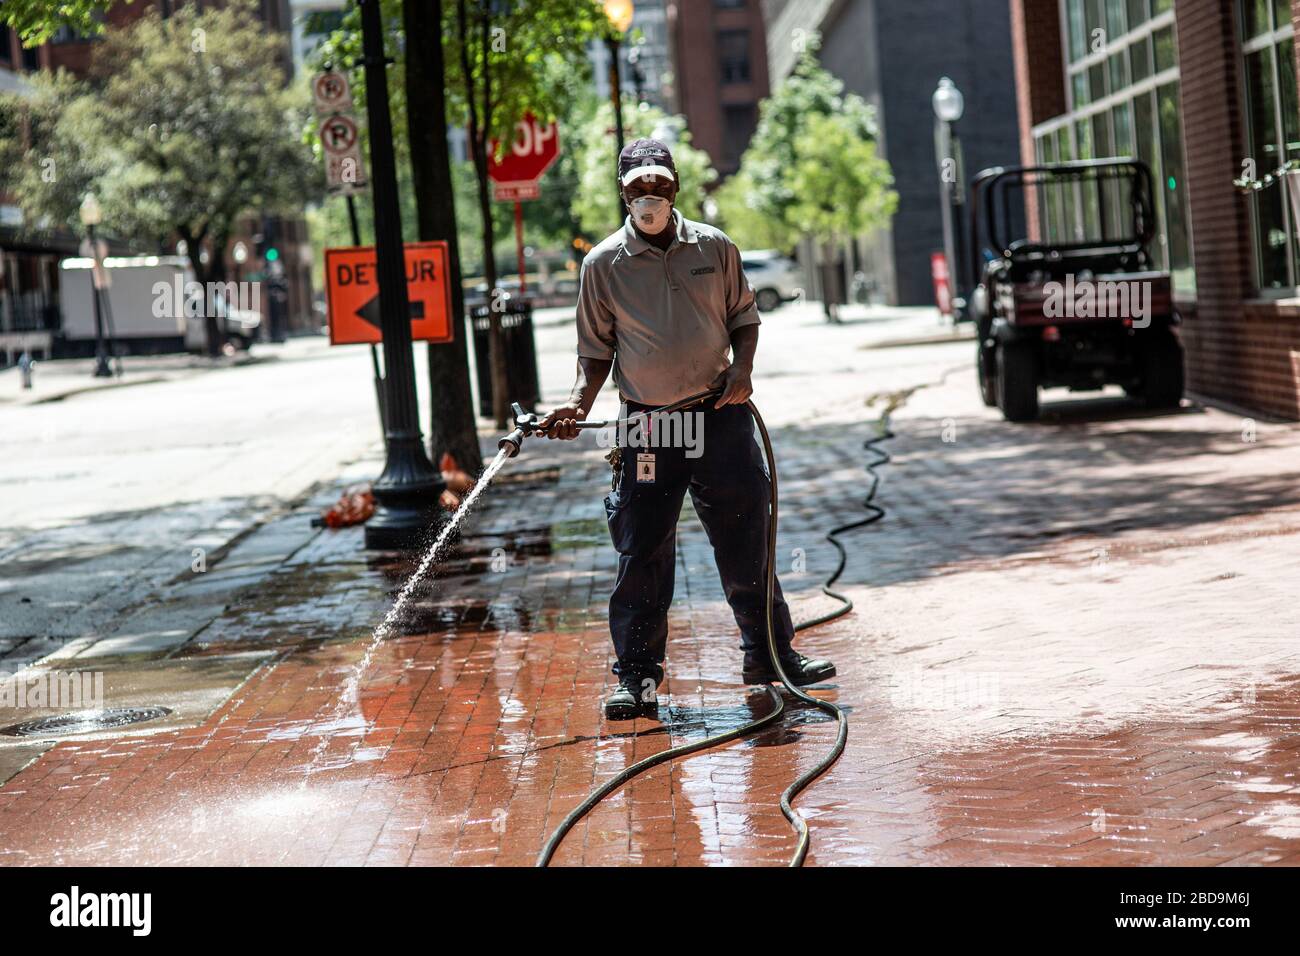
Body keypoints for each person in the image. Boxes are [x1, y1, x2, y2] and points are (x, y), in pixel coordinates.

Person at [539, 138, 836, 720]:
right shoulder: (603, 265)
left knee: (747, 536)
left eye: (659, 185)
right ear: (622, 193)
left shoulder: (715, 247)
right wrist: (578, 404)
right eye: (637, 188)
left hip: (719, 414)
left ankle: (770, 658)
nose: (649, 196)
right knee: (642, 548)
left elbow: (744, 319)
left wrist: (744, 370)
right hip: (650, 428)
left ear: (676, 186)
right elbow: (595, 352)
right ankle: (637, 679)